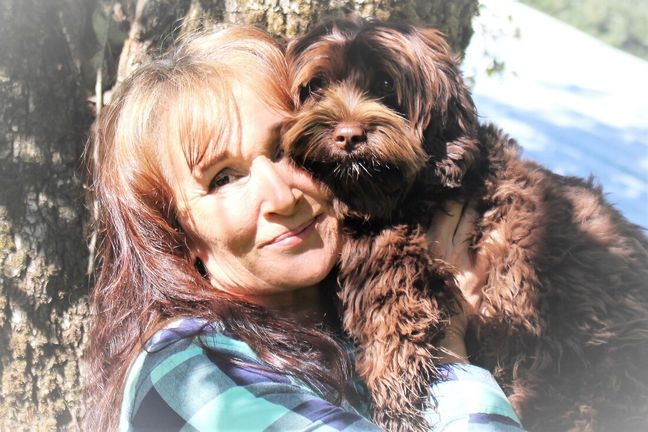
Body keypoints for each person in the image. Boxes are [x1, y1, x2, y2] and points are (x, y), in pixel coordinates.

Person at [84, 25, 525, 431]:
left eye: (282, 148)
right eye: (223, 179)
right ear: (177, 236)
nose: (282, 197)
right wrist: (445, 345)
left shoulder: (351, 323)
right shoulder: (191, 373)